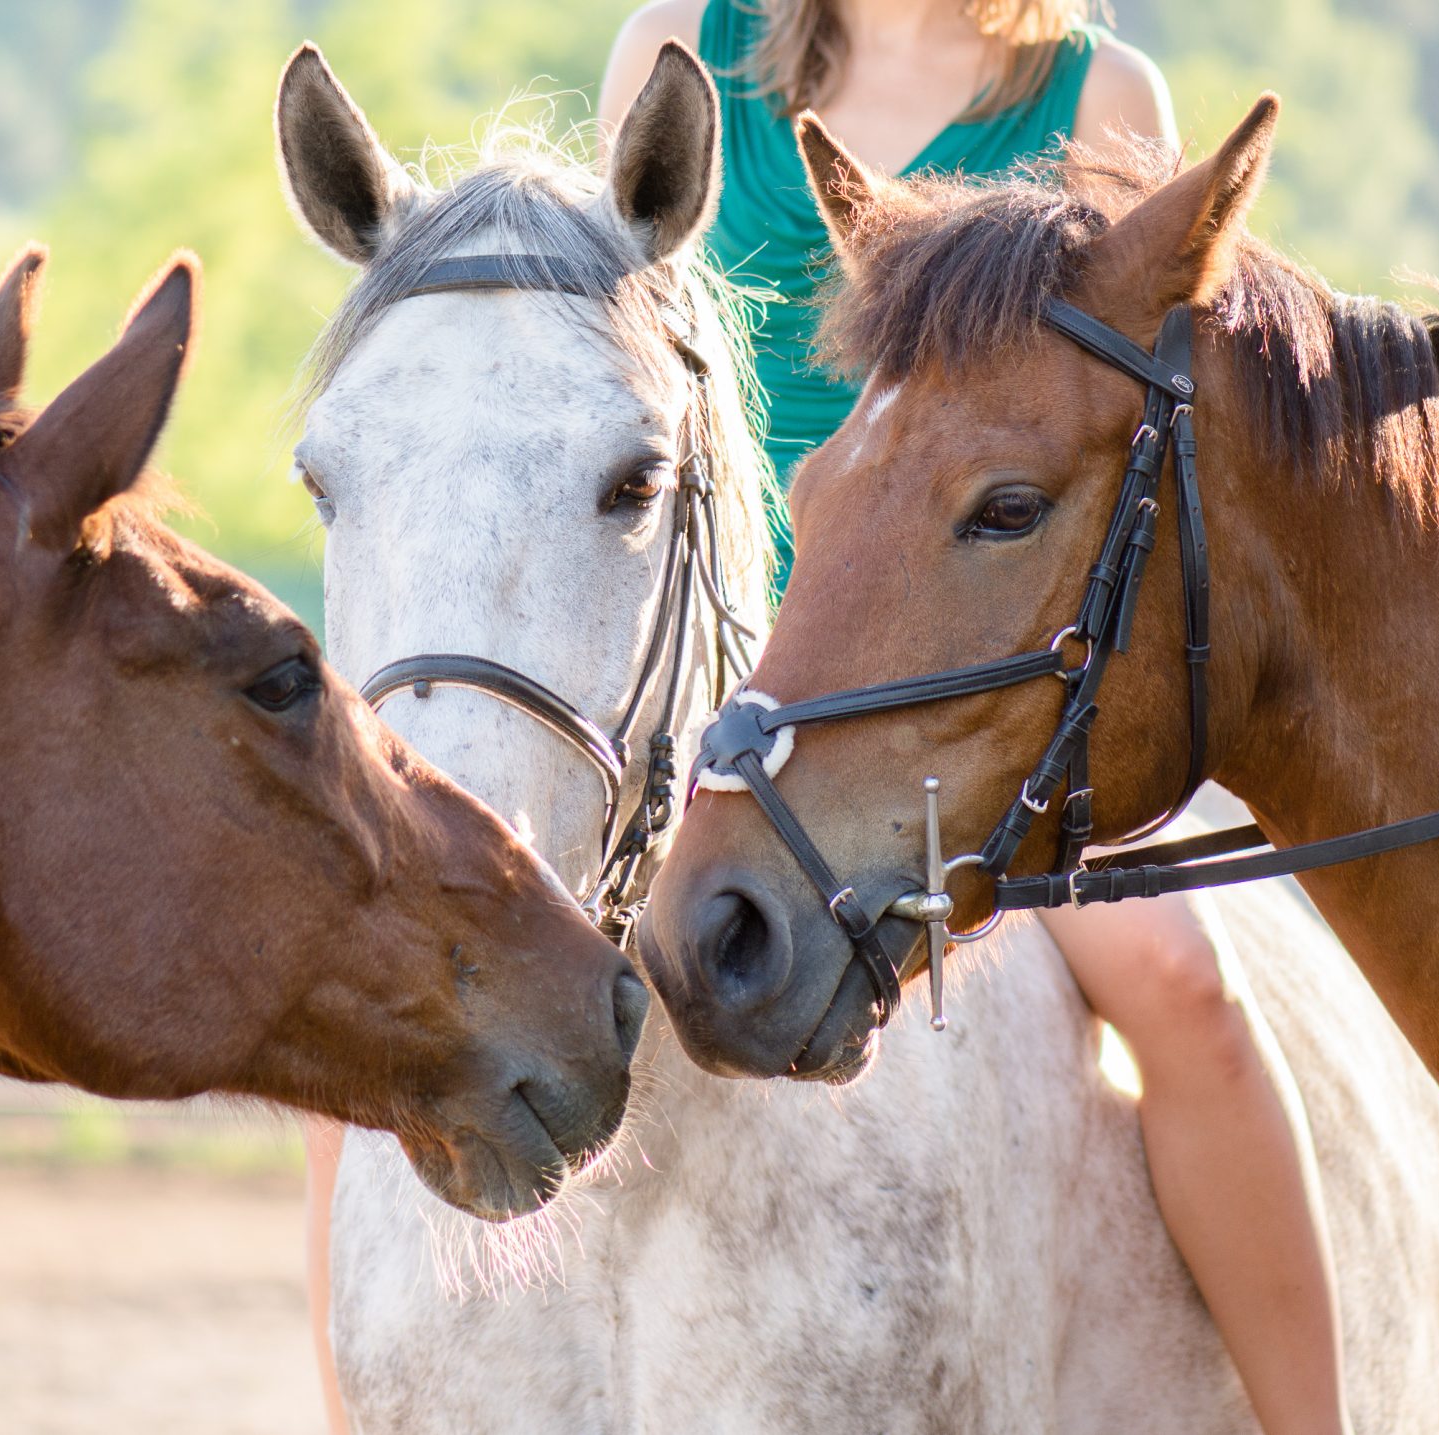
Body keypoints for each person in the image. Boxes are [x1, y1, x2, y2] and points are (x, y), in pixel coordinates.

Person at [307, 7, 1347, 1433]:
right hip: (686, 642)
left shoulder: (1097, 88)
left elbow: (1113, 431)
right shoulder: (685, 44)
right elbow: (603, 358)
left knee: (1182, 990)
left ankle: (1319, 1419)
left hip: (952, 684)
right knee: (364, 995)